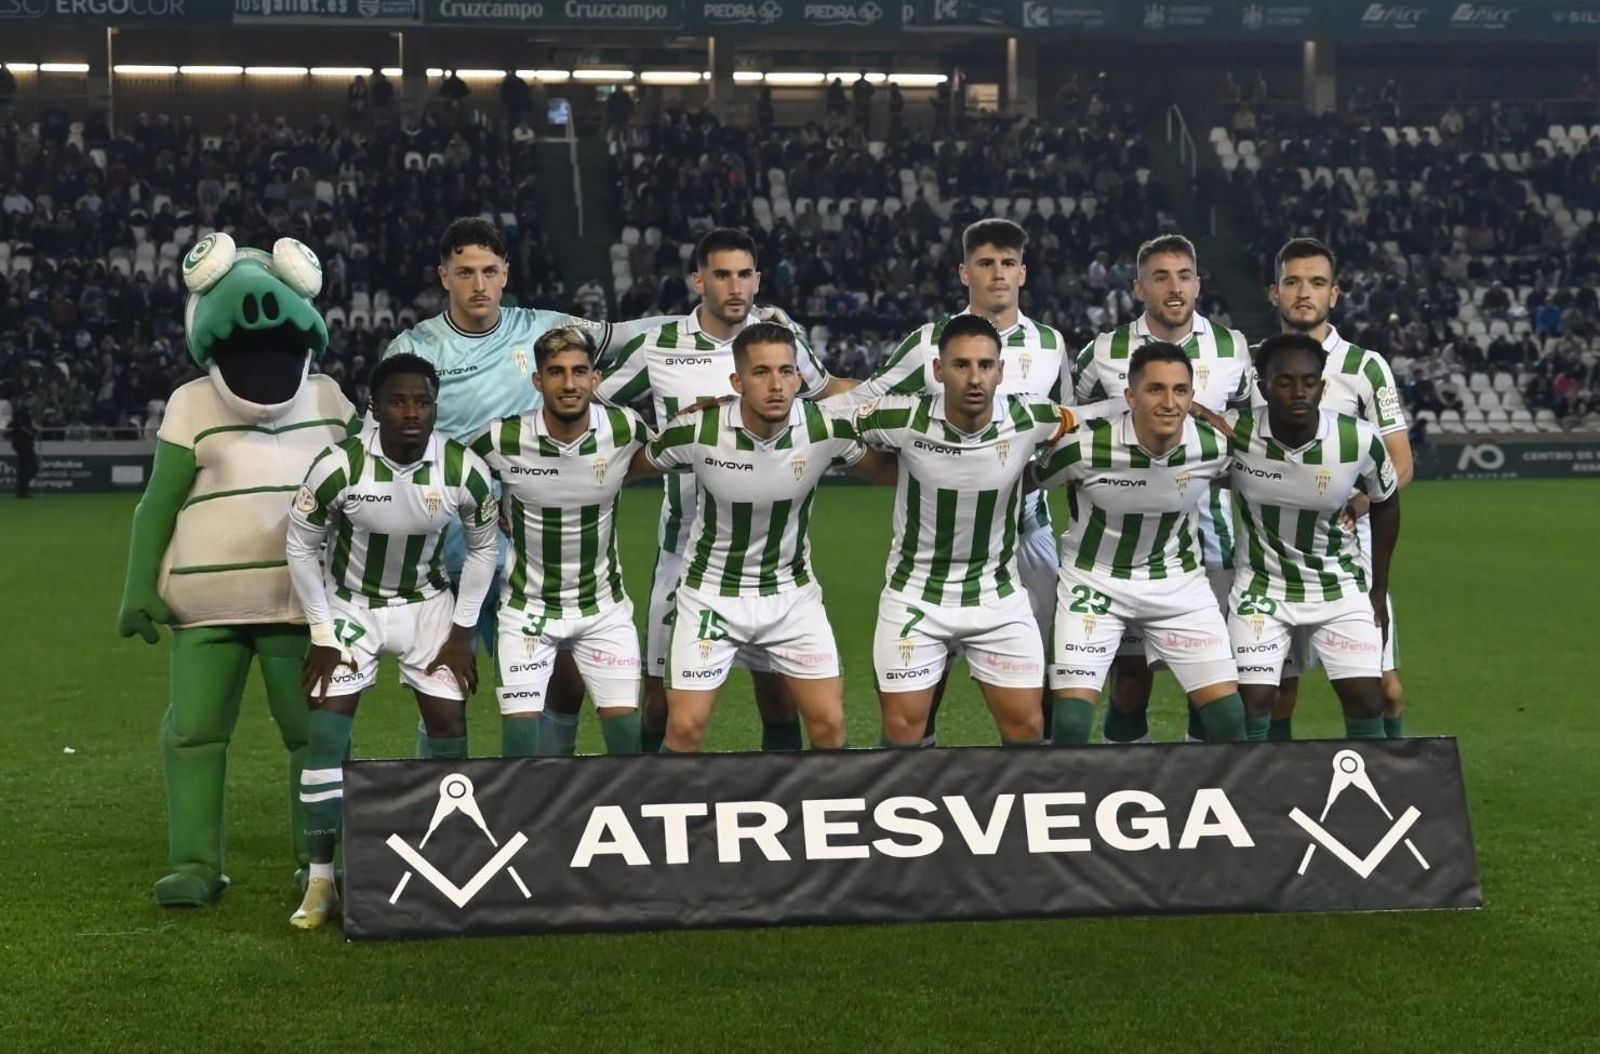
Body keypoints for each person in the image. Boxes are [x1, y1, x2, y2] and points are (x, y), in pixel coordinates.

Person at [383, 217, 673, 756]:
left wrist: (714, 320)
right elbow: (396, 443)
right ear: (443, 276)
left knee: (562, 677)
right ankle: (441, 803)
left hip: (529, 545)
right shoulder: (417, 347)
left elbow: (629, 333)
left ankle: (546, 799)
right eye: (465, 272)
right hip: (444, 543)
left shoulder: (539, 327)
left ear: (506, 273)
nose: (479, 284)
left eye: (490, 271)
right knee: (444, 686)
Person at [826, 219, 1090, 744]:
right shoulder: (929, 344)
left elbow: (1068, 429)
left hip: (1026, 535)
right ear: (964, 272)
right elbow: (867, 400)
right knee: (926, 684)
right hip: (938, 544)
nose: (998, 274)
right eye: (986, 264)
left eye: (1008, 263)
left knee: (1041, 682)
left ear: (1023, 272)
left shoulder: (1050, 343)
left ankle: (1046, 783)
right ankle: (916, 765)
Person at [598, 227, 857, 753]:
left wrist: (922, 389)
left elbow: (828, 397)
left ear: (758, 279)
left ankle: (776, 806)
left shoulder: (782, 340)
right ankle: (646, 802)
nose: (735, 287)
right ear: (699, 280)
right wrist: (666, 438)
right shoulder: (661, 345)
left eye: (745, 274)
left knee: (779, 697)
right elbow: (597, 407)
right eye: (722, 275)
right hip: (685, 553)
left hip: (770, 557)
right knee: (660, 702)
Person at [285, 353, 498, 930]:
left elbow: (484, 550)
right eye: (399, 402)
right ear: (374, 407)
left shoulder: (463, 467)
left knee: (451, 726)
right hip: (352, 606)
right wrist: (322, 633)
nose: (412, 413)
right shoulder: (338, 465)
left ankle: (444, 860)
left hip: (429, 607)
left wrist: (462, 631)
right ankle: (321, 879)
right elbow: (300, 547)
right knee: (326, 731)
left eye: (423, 401)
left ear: (435, 406)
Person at [643, 324, 893, 752]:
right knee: (683, 728)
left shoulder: (824, 428)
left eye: (786, 371)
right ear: (737, 382)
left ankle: (801, 812)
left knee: (830, 725)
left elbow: (889, 472)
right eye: (760, 373)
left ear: (799, 377)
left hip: (790, 595)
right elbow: (621, 468)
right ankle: (657, 810)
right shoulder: (697, 430)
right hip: (711, 595)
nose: (776, 385)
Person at [855, 314, 1077, 748]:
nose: (974, 377)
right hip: (915, 592)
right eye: (961, 365)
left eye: (985, 365)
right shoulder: (901, 417)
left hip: (996, 595)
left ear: (1000, 371)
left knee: (1028, 729)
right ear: (939, 371)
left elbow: (1089, 426)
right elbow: (829, 426)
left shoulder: (1032, 416)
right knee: (902, 732)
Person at [1066, 234, 1252, 744]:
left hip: (1209, 541)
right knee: (1130, 682)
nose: (1175, 288)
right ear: (1138, 288)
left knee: (1210, 686)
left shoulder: (1232, 348)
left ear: (1199, 283)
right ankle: (1132, 794)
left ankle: (1197, 794)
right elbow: (1070, 435)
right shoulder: (1101, 354)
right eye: (1161, 277)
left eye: (1184, 276)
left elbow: (1248, 433)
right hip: (1115, 548)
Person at [1034, 342, 1247, 744]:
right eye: (1155, 390)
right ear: (1130, 396)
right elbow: (1030, 481)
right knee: (1070, 724)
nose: (1169, 402)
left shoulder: (1213, 447)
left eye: (1180, 390)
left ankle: (1210, 800)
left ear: (1192, 396)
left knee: (1228, 719)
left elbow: (1262, 479)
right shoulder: (1084, 447)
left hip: (1178, 585)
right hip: (1093, 584)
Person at [468, 327, 652, 757]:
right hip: (527, 609)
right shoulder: (500, 437)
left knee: (628, 740)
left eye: (578, 372)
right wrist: (490, 505)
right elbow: (453, 473)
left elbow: (663, 457)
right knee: (519, 744)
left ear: (595, 378)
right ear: (538, 381)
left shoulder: (625, 427)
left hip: (604, 609)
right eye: (555, 372)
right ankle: (531, 821)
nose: (569, 384)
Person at [1264, 238, 1415, 740]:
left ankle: (1393, 784)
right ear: (1274, 293)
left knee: (1383, 689)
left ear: (1336, 295)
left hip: (1350, 549)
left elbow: (1401, 462)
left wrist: (1362, 499)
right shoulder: (1256, 365)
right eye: (1292, 282)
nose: (1303, 293)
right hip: (1274, 551)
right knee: (1279, 691)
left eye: (1316, 283)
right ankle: (1273, 799)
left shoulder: (1366, 366)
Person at [1226, 333, 1400, 742]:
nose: (1298, 391)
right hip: (1262, 589)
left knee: (1368, 697)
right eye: (1284, 382)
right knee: (1252, 702)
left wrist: (1379, 590)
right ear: (1263, 385)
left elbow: (1387, 502)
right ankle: (1252, 797)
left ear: (1322, 386)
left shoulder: (1358, 439)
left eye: (1308, 381)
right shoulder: (1234, 433)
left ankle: (1377, 796)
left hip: (1339, 587)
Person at [6, 402, 37, 498]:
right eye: (31, 400)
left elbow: (12, 425)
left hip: (23, 445)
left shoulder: (23, 413)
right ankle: (22, 491)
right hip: (23, 445)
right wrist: (32, 432)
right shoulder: (21, 413)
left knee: (25, 469)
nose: (33, 402)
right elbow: (22, 426)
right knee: (31, 468)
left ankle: (22, 491)